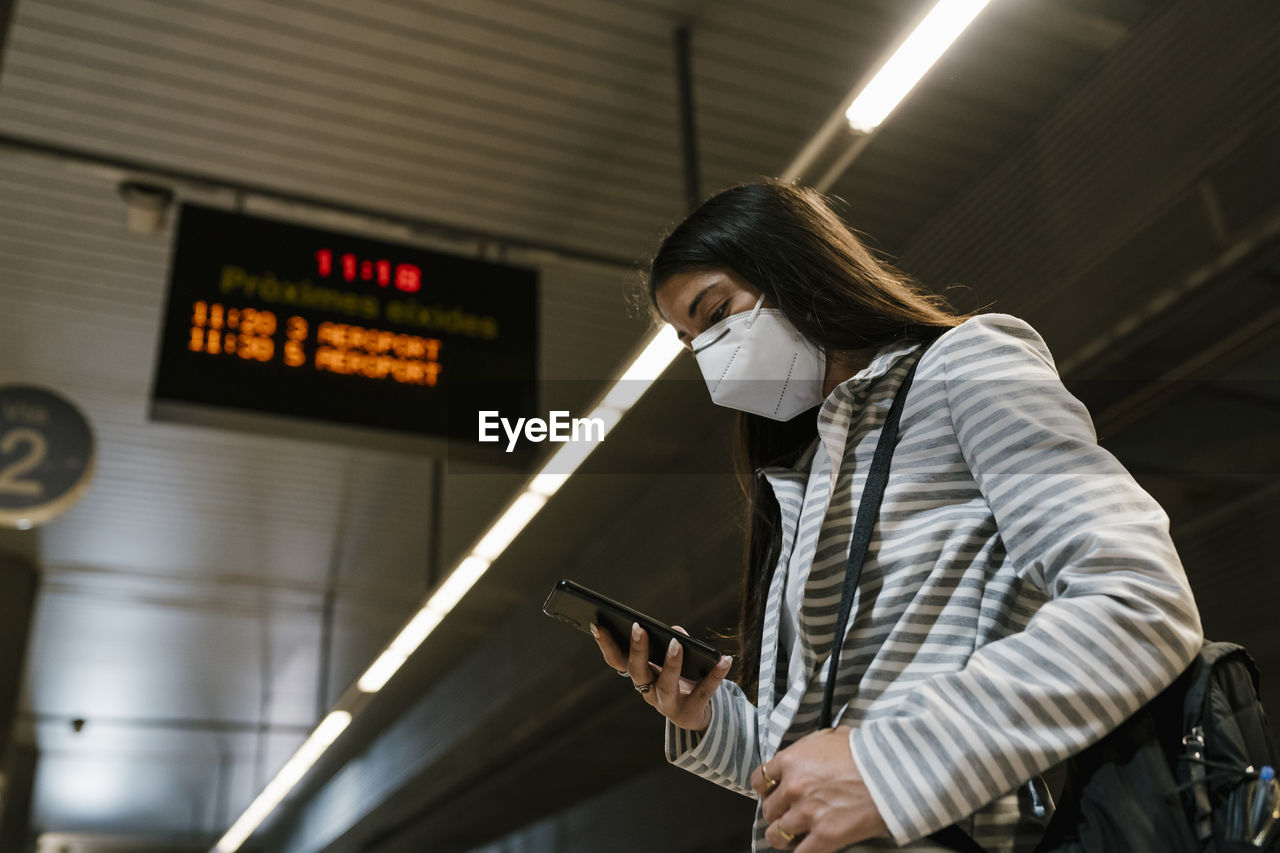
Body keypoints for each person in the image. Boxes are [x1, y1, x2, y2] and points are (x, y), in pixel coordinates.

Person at [590, 179, 1204, 852]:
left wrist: (887, 767)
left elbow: (1139, 599)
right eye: (688, 340)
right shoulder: (807, 470)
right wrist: (708, 718)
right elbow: (815, 754)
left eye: (716, 314)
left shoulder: (968, 367)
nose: (709, 355)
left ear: (793, 268)